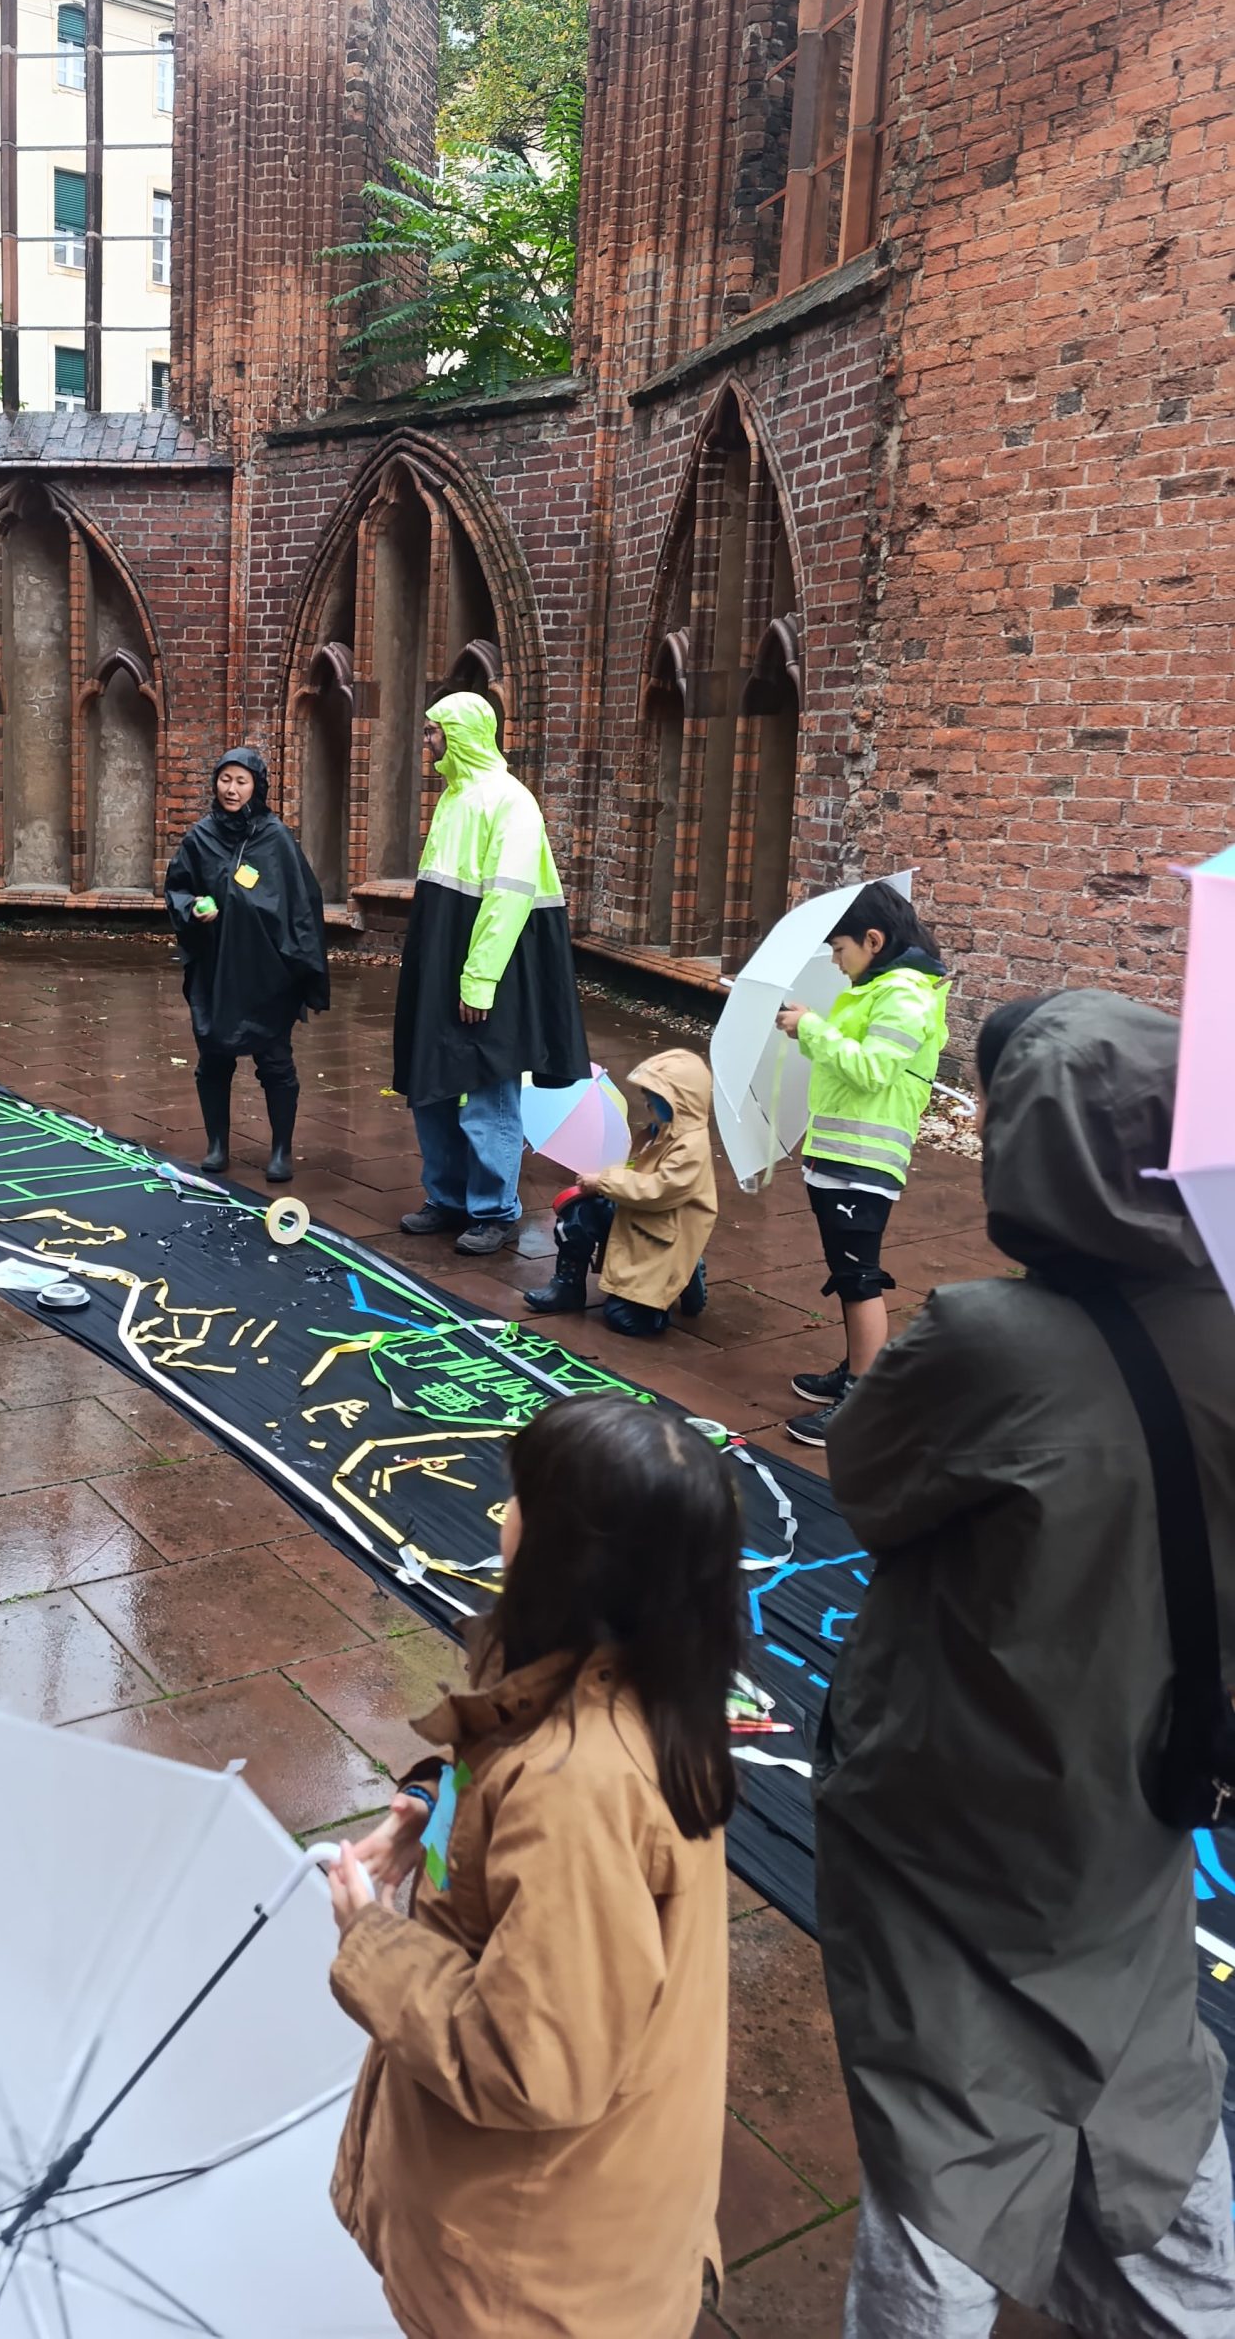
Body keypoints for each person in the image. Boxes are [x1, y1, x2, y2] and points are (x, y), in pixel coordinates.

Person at [814, 989, 1235, 2337]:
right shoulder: (1228, 1327)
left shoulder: (984, 1340)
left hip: (959, 1791)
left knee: (942, 2125)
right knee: (1138, 2078)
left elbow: (870, 1483)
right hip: (1143, 1781)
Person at [325, 1394, 740, 2339]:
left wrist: (371, 1942)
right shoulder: (645, 1679)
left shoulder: (578, 1789)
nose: (499, 1517)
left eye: (519, 1503)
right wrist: (430, 1817)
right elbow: (504, 1809)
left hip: (530, 2272)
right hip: (581, 2218)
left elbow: (530, 2059)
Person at [392, 692, 588, 1256]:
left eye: (433, 732)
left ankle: (494, 1209)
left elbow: (508, 898)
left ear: (461, 734)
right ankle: (447, 1197)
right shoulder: (455, 797)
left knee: (486, 1086)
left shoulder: (511, 801)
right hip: (440, 964)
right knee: (431, 1080)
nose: (427, 741)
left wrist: (479, 979)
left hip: (488, 968)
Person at [775, 880, 949, 1446]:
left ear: (874, 940)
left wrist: (814, 1028)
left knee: (859, 1277)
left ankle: (864, 1399)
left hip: (865, 1157)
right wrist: (809, 1032)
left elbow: (873, 1069)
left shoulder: (904, 994)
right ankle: (854, 1371)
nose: (835, 960)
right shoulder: (881, 986)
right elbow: (847, 1062)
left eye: (840, 949)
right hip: (840, 1150)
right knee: (846, 1270)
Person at [164, 746, 329, 1184]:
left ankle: (281, 1149)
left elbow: (301, 903)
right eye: (225, 779)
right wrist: (193, 906)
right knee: (213, 1057)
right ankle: (217, 1144)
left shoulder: (275, 839)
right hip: (216, 968)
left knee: (274, 1060)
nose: (231, 789)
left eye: (241, 781)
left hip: (265, 971)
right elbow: (177, 888)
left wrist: (300, 964)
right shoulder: (199, 837)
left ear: (257, 786)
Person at [522, 1049, 716, 1334]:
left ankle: (682, 1277)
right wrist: (603, 1181)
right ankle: (567, 1286)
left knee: (627, 1320)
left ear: (681, 1102)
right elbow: (637, 1173)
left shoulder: (691, 1147)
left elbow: (659, 1190)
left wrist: (604, 1182)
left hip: (662, 1230)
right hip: (636, 1213)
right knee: (577, 1214)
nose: (649, 1103)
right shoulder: (656, 1132)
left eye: (657, 1098)